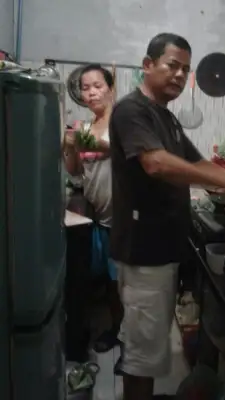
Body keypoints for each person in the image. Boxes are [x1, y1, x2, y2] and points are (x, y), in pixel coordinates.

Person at [109, 33, 225, 400]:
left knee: (149, 352)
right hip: (144, 254)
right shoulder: (131, 110)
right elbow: (155, 163)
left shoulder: (165, 118)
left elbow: (196, 160)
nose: (180, 75)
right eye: (172, 65)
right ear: (148, 65)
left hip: (163, 251)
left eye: (186, 69)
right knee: (142, 358)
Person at [63, 64, 123, 354]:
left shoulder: (122, 123)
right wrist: (69, 147)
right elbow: (74, 171)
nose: (91, 92)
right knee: (99, 277)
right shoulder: (84, 127)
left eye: (97, 85)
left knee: (118, 283)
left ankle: (121, 333)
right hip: (98, 216)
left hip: (123, 220)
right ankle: (109, 327)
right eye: (85, 88)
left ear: (110, 89)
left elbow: (117, 149)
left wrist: (75, 138)